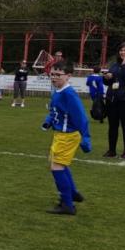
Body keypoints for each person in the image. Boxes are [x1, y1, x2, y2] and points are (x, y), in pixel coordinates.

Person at [42, 61, 90, 215]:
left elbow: (81, 117)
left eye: (58, 75)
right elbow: (55, 112)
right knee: (59, 165)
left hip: (67, 136)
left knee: (56, 167)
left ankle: (67, 204)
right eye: (52, 74)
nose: (54, 77)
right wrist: (48, 121)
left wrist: (86, 138)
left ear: (68, 76)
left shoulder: (69, 94)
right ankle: (73, 193)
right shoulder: (57, 91)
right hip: (60, 135)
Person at [102, 41, 125, 159]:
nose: (123, 52)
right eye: (121, 50)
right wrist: (107, 77)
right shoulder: (115, 65)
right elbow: (108, 82)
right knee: (112, 126)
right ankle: (111, 150)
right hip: (112, 99)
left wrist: (124, 65)